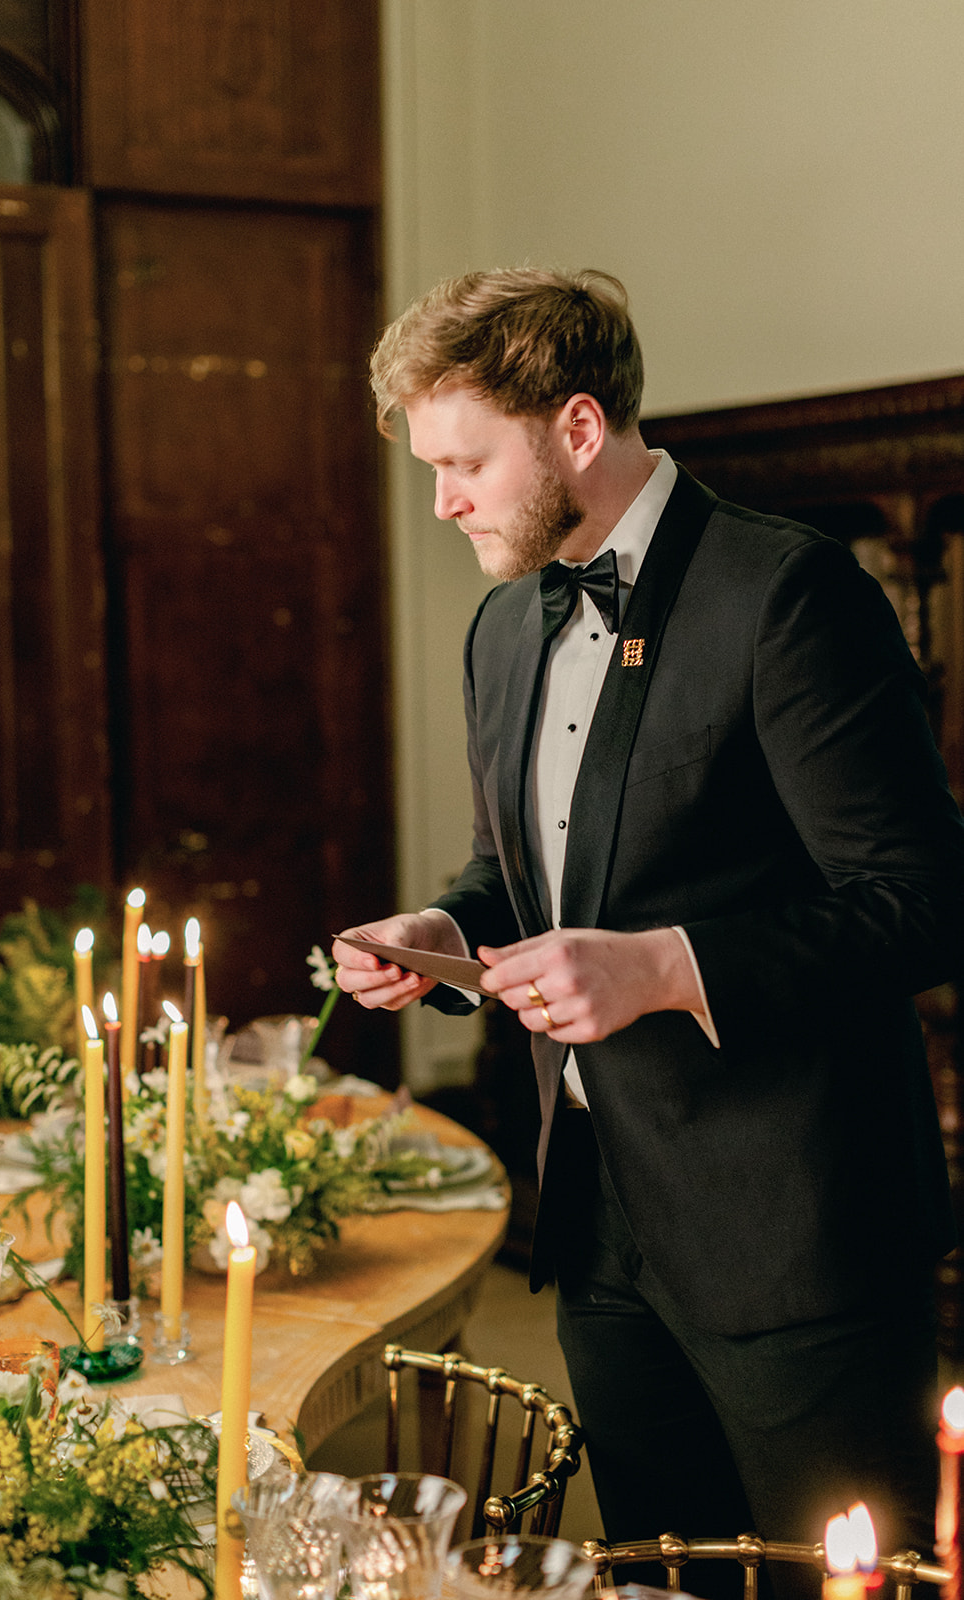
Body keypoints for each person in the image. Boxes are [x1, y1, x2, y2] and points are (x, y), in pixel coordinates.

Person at [332, 268, 964, 1580]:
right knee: (656, 1576)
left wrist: (669, 969)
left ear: (576, 428)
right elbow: (522, 881)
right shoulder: (504, 628)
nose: (443, 501)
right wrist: (439, 936)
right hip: (599, 1231)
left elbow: (924, 905)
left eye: (465, 463)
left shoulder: (787, 594)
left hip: (799, 1244)